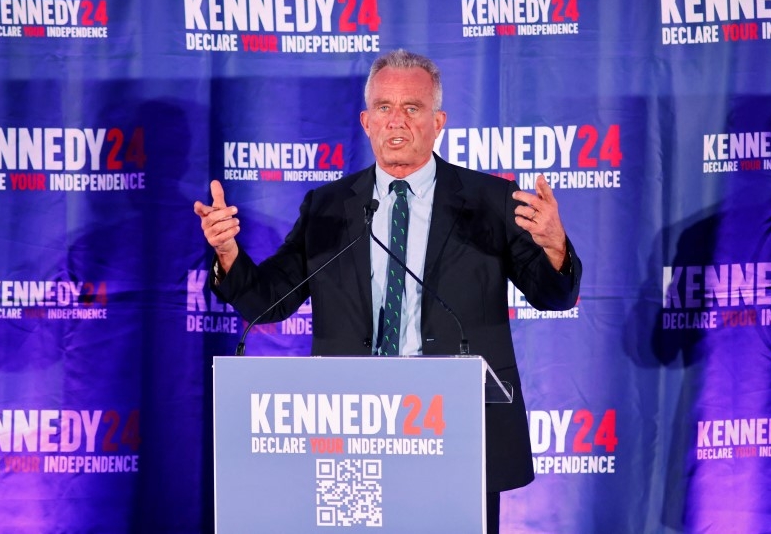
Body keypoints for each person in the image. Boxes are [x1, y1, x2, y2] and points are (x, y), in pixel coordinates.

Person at [194, 49, 582, 533]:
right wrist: (228, 254)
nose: (396, 121)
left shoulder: (490, 202)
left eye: (412, 108)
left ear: (438, 121)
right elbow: (268, 300)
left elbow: (554, 297)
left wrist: (555, 248)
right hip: (354, 430)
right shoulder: (329, 206)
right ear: (366, 121)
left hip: (454, 428)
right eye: (384, 107)